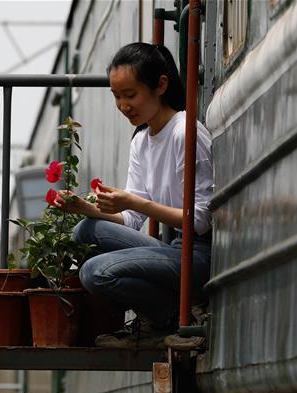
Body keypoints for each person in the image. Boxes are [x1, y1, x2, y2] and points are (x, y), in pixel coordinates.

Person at [52, 42, 214, 349]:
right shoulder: (141, 140)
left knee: (94, 271)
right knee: (84, 230)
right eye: (116, 96)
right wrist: (85, 207)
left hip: (201, 256)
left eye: (131, 95)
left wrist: (133, 202)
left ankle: (167, 319)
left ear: (161, 85)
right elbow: (132, 219)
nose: (124, 105)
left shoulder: (185, 132)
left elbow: (201, 221)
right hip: (179, 249)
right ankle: (166, 315)